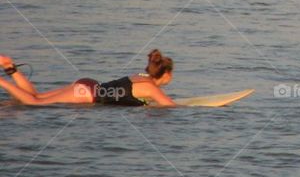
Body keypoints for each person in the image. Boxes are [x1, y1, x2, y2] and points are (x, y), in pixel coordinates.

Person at [0, 50, 176, 107]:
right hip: (87, 94)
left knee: (36, 97)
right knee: (34, 103)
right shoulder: (152, 88)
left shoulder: (141, 77)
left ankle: (10, 68)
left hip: (88, 85)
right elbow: (171, 107)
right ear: (166, 74)